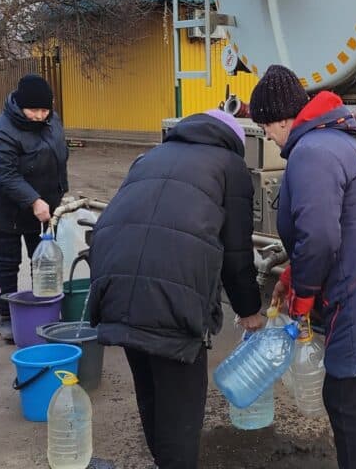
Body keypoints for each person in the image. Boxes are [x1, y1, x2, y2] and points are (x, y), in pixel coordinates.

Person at [249, 64, 356, 469]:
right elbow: (334, 225)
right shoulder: (336, 142)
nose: (268, 136)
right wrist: (294, 273)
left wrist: (304, 296)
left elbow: (322, 236)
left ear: (281, 117)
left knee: (345, 400)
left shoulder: (311, 153)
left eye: (265, 126)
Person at [88, 109, 263, 469]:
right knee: (181, 405)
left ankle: (162, 459)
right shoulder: (231, 166)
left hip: (114, 281)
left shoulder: (152, 155)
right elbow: (236, 252)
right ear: (233, 139)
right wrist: (249, 310)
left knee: (150, 387)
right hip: (174, 295)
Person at [0, 73, 69, 342]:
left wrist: (59, 192)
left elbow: (60, 157)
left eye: (45, 109)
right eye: (34, 110)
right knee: (6, 263)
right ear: (19, 105)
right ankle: (7, 315)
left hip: (41, 204)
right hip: (3, 207)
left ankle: (43, 309)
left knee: (44, 259)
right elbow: (5, 175)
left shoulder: (53, 120)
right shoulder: (1, 132)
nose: (40, 115)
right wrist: (34, 200)